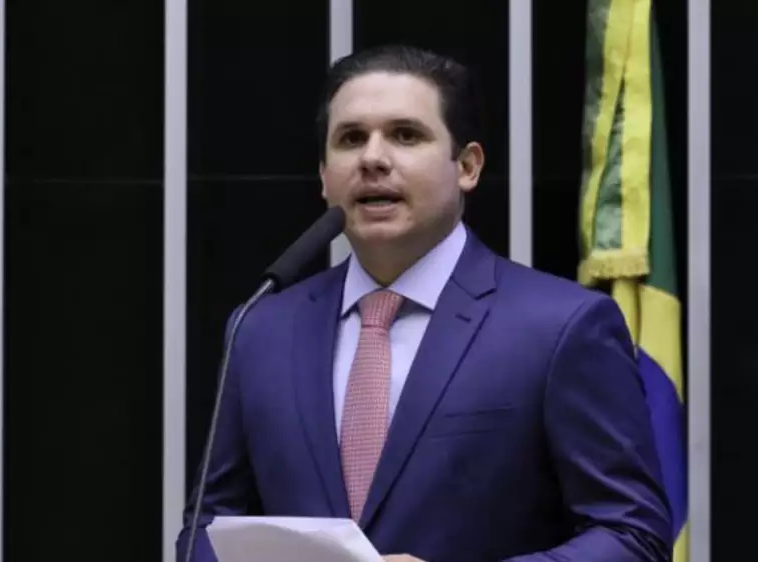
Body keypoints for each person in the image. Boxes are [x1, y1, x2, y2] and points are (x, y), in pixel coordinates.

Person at [176, 44, 672, 562]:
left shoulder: (561, 326)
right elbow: (207, 528)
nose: (372, 158)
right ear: (324, 175)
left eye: (405, 135)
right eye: (350, 139)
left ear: (468, 166)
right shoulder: (261, 328)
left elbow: (632, 536)